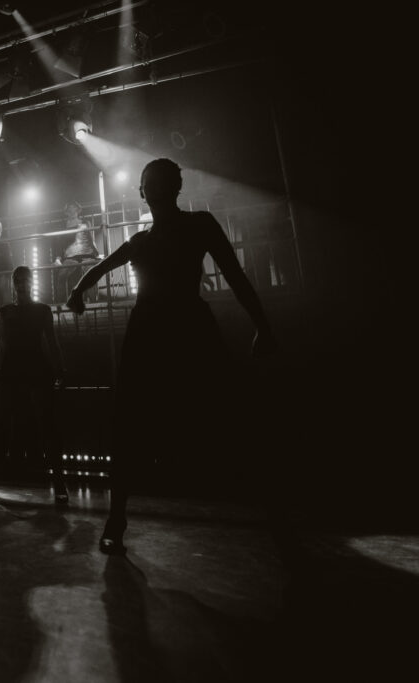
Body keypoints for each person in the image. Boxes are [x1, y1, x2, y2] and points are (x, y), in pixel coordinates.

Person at [66, 158, 276, 554]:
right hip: (172, 327)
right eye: (150, 183)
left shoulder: (183, 230)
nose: (151, 189)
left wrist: (263, 325)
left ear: (154, 191)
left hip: (166, 328)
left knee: (150, 421)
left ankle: (117, 519)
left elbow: (235, 274)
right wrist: (263, 325)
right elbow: (99, 268)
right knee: (156, 420)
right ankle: (118, 518)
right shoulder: (170, 233)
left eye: (153, 183)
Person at [0, 266, 68, 503]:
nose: (21, 284)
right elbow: (0, 343)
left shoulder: (42, 311)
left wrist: (59, 368)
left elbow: (52, 342)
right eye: (18, 280)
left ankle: (59, 482)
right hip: (13, 369)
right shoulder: (6, 311)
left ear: (31, 282)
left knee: (47, 425)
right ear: (14, 284)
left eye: (24, 280)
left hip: (35, 367)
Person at [53, 202, 100, 303]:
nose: (72, 211)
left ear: (78, 210)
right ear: (66, 212)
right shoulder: (63, 226)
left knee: (91, 273)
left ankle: (94, 302)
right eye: (70, 209)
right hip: (71, 256)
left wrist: (97, 254)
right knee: (62, 275)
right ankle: (60, 303)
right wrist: (57, 258)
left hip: (87, 254)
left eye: (74, 209)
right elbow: (59, 244)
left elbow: (91, 239)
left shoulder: (86, 223)